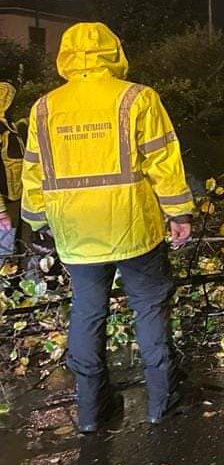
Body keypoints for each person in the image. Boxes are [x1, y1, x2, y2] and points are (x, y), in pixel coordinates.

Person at [20, 22, 195, 433]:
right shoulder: (137, 98)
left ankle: (91, 414)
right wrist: (179, 213)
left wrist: (37, 222)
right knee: (149, 309)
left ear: (65, 55)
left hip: (76, 235)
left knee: (87, 312)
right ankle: (160, 404)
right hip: (133, 228)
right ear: (113, 51)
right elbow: (162, 163)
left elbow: (33, 172)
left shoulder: (44, 108)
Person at [0, 82, 28, 266]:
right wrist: (1, 211)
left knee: (15, 253)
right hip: (5, 203)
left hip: (17, 198)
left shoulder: (10, 128)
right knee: (4, 255)